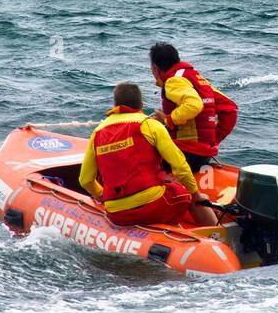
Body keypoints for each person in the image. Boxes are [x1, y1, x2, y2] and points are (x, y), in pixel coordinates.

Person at [78, 82, 217, 227]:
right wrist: (195, 194)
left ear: (115, 105)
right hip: (152, 204)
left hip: (116, 213)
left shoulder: (97, 133)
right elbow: (180, 165)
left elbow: (85, 180)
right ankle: (215, 236)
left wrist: (102, 196)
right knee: (185, 193)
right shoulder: (149, 124)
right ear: (141, 104)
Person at [148, 42, 238, 173]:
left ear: (155, 68)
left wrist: (168, 120)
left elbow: (194, 105)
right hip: (203, 156)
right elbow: (231, 109)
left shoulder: (174, 80)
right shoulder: (197, 79)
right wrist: (211, 142)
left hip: (185, 154)